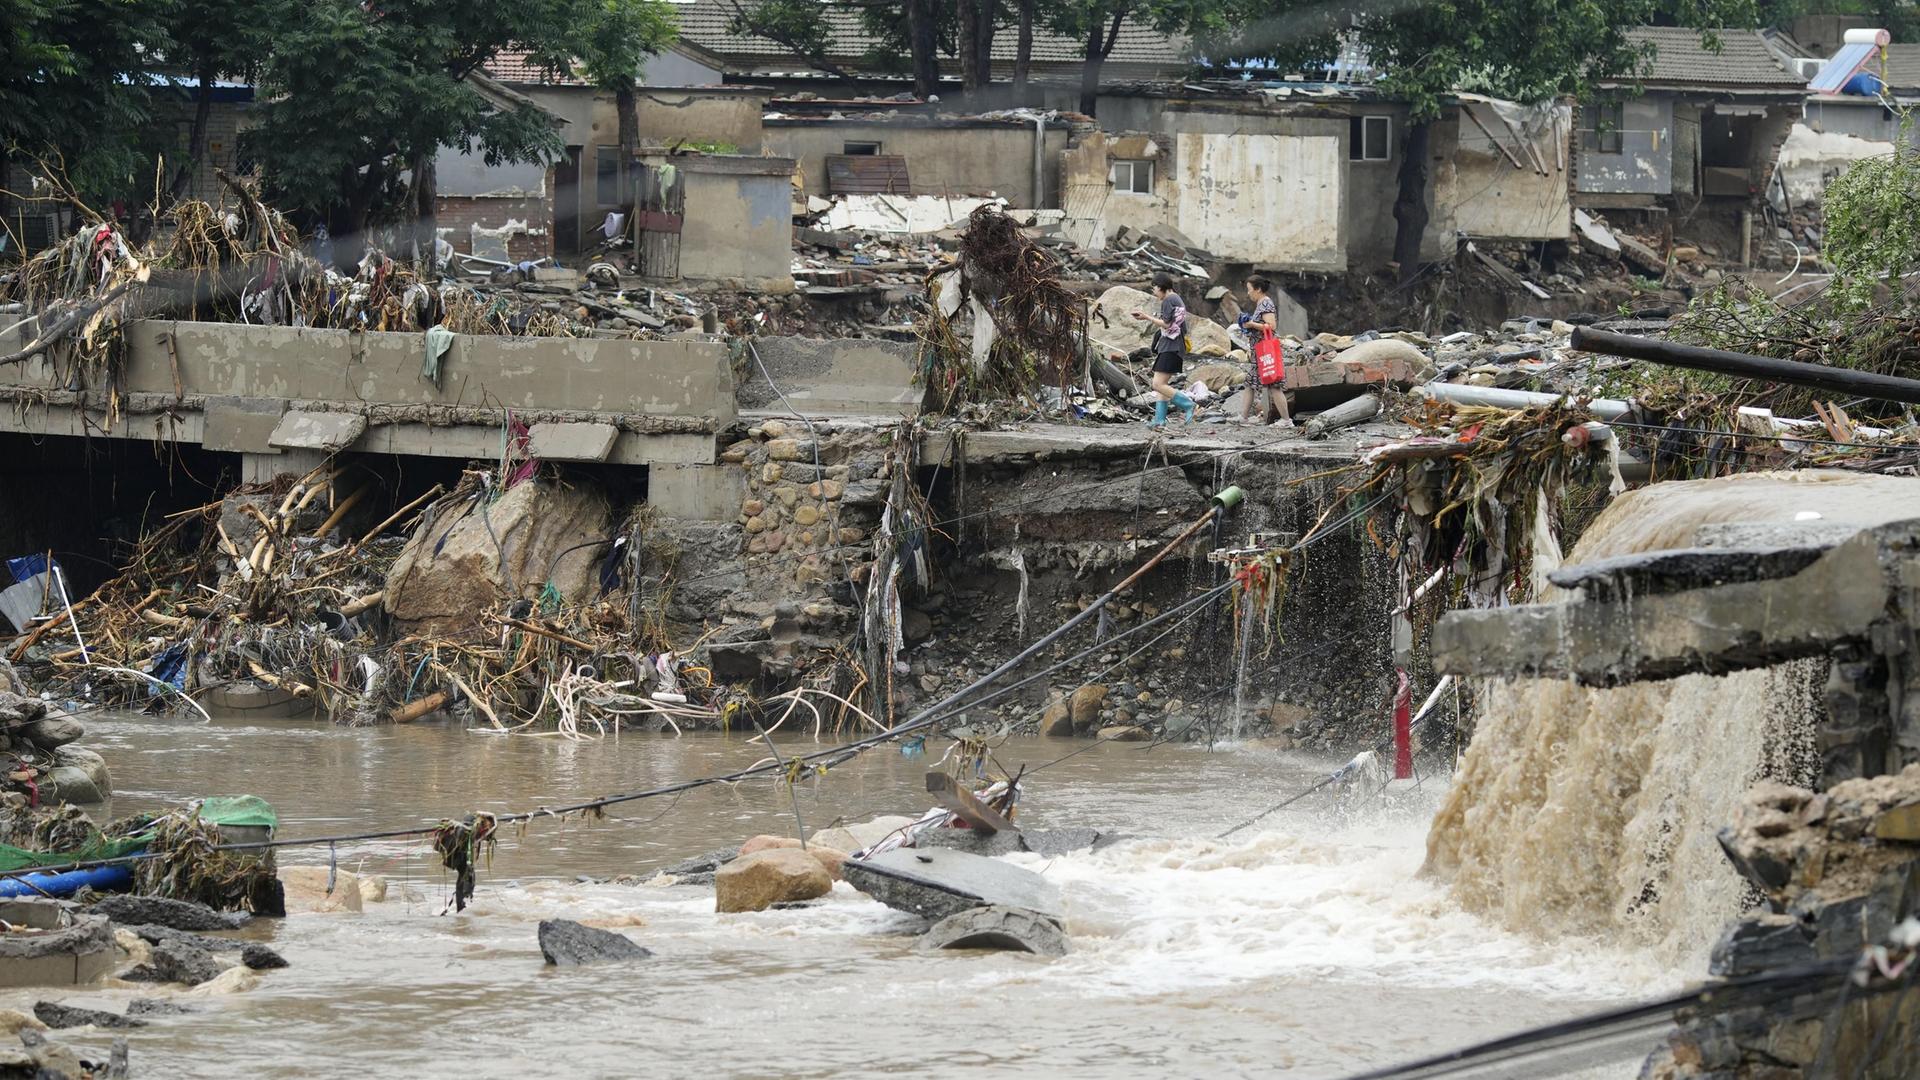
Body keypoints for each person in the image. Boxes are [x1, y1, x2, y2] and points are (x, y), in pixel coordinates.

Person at [1131, 272, 1195, 427]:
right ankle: (1159, 420)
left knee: (1157, 384)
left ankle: (1188, 405)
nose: (1153, 292)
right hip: (1175, 346)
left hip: (1170, 346)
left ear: (1161, 287)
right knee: (1163, 385)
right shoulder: (1177, 299)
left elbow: (1166, 324)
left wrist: (1146, 317)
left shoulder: (1168, 300)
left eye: (1154, 288)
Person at [1237, 276, 1293, 426]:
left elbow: (1271, 326)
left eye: (1249, 290)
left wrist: (1251, 325)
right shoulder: (1261, 303)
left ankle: (1286, 420)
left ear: (1258, 289)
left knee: (1274, 384)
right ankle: (1243, 418)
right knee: (1250, 383)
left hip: (1265, 354)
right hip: (1258, 354)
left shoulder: (1266, 302)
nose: (1248, 293)